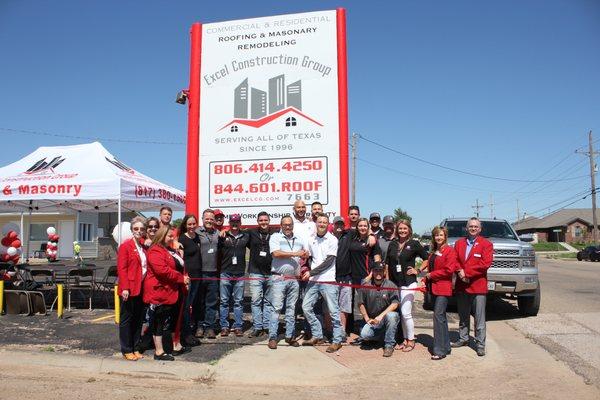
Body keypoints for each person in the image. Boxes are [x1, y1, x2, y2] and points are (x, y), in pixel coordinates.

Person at [144, 225, 191, 361]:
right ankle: (159, 351)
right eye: (170, 236)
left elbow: (180, 266)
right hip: (160, 291)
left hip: (173, 290)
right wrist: (181, 278)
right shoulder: (155, 250)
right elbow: (162, 271)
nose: (172, 238)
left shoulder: (170, 249)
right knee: (158, 322)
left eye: (173, 236)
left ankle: (175, 346)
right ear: (162, 235)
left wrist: (184, 278)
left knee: (174, 320)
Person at [301, 213, 344, 353]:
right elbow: (309, 258)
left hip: (328, 280)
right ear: (316, 223)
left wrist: (311, 273)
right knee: (306, 307)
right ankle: (317, 334)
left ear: (328, 224)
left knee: (333, 311)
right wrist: (305, 260)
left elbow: (329, 262)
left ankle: (337, 340)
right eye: (320, 222)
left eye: (325, 222)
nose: (322, 224)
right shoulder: (311, 238)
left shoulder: (332, 239)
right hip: (314, 281)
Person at [385, 219, 429, 352]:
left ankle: (411, 340)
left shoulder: (414, 244)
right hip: (394, 283)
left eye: (405, 228)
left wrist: (418, 270)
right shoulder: (393, 244)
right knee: (401, 313)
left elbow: (427, 258)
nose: (402, 231)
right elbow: (387, 264)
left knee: (406, 312)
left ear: (409, 229)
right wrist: (387, 282)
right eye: (400, 229)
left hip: (408, 282)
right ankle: (405, 339)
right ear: (396, 230)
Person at [452, 217, 494, 357]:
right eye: (471, 226)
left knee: (479, 318)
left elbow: (485, 264)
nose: (473, 228)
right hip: (461, 285)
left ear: (480, 229)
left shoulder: (486, 244)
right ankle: (463, 338)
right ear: (467, 227)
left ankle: (480, 344)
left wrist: (467, 273)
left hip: (478, 286)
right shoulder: (459, 243)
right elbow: (455, 259)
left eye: (476, 226)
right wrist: (459, 272)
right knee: (463, 316)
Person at [267, 215, 309, 349]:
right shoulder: (275, 237)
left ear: (292, 225)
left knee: (292, 309)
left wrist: (304, 255)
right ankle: (272, 337)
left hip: (294, 280)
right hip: (279, 278)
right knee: (277, 308)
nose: (287, 226)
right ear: (281, 225)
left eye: (290, 224)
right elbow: (276, 254)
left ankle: (289, 336)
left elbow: (305, 254)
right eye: (285, 224)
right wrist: (295, 253)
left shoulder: (299, 239)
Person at [425, 226, 459, 360]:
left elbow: (449, 270)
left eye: (440, 235)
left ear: (445, 236)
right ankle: (446, 346)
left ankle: (439, 350)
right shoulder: (434, 251)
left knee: (438, 316)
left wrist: (431, 275)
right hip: (434, 288)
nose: (438, 238)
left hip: (443, 288)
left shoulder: (450, 251)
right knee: (441, 318)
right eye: (436, 236)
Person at [117, 216, 147, 361]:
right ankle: (127, 349)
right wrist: (125, 288)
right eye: (136, 228)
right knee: (126, 320)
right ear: (131, 230)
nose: (139, 231)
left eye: (141, 229)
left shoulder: (142, 246)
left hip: (141, 288)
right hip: (128, 289)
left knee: (138, 320)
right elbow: (122, 269)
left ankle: (135, 347)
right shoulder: (125, 246)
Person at [353, 263, 399, 357]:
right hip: (372, 320)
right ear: (372, 272)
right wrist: (366, 318)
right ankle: (383, 336)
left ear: (384, 272)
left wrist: (381, 316)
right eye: (376, 270)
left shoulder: (391, 285)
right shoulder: (366, 285)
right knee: (365, 335)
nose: (378, 273)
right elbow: (360, 303)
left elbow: (395, 304)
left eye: (381, 270)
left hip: (386, 318)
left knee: (392, 316)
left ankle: (389, 345)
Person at [219, 213, 250, 337]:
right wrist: (223, 231)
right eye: (232, 222)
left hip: (240, 273)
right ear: (229, 223)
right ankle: (224, 326)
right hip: (225, 272)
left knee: (238, 301)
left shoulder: (246, 236)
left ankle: (238, 326)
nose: (235, 224)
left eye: (237, 222)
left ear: (240, 223)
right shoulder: (223, 235)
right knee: (224, 301)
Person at [247, 211, 273, 337]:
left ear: (269, 221)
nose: (263, 222)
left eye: (265, 220)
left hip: (271, 272)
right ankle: (257, 327)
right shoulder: (251, 233)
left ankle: (267, 326)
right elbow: (237, 234)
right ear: (257, 222)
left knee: (268, 301)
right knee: (256, 301)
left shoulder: (275, 233)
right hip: (255, 272)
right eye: (261, 220)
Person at [195, 209, 220, 339]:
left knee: (211, 302)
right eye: (207, 218)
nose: (209, 221)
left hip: (213, 273)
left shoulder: (218, 233)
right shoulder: (196, 232)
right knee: (200, 302)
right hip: (200, 273)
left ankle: (209, 327)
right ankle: (199, 326)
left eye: (211, 219)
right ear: (202, 219)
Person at [178, 214, 202, 347]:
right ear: (185, 225)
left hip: (198, 276)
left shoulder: (197, 237)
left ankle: (188, 331)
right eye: (189, 224)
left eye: (194, 224)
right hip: (188, 277)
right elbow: (180, 259)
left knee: (192, 305)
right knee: (186, 306)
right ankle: (184, 334)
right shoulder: (182, 239)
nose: (192, 226)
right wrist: (184, 276)